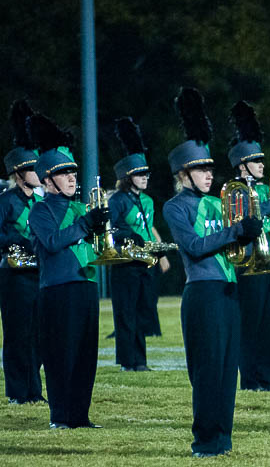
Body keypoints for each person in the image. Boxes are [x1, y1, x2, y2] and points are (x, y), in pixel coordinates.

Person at [163, 88, 262, 457]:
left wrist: (250, 234)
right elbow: (193, 246)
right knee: (206, 372)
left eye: (209, 167)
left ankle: (223, 439)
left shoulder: (220, 202)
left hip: (229, 290)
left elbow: (239, 248)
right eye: (201, 169)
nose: (209, 174)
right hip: (202, 294)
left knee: (226, 371)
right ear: (183, 174)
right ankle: (204, 441)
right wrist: (236, 230)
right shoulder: (175, 207)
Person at [26, 113, 108, 429]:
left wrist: (102, 225)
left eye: (73, 171)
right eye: (63, 173)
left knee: (86, 356)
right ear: (46, 181)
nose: (72, 177)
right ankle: (60, 416)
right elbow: (51, 242)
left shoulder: (79, 207)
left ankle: (80, 416)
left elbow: (96, 244)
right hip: (58, 290)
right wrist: (85, 224)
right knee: (61, 355)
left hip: (86, 286)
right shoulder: (40, 210)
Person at [228, 101, 270, 390]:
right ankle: (251, 379)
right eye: (256, 160)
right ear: (242, 165)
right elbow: (249, 219)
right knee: (250, 324)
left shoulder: (263, 188)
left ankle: (266, 378)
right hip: (248, 264)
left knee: (268, 324)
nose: (262, 164)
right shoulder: (234, 191)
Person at [0, 99, 45, 404]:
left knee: (38, 333)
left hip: (38, 271)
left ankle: (34, 391)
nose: (38, 173)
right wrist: (16, 239)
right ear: (18, 172)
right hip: (12, 275)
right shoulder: (3, 202)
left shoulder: (39, 202)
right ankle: (16, 393)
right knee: (16, 335)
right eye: (32, 169)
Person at [108, 117, 169, 372]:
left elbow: (148, 228)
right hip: (125, 261)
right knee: (125, 312)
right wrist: (128, 236)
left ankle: (140, 361)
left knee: (143, 310)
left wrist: (161, 253)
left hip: (146, 261)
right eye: (140, 173)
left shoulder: (148, 201)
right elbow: (111, 228)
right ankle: (126, 361)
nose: (145, 177)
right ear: (128, 176)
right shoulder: (118, 200)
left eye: (146, 173)